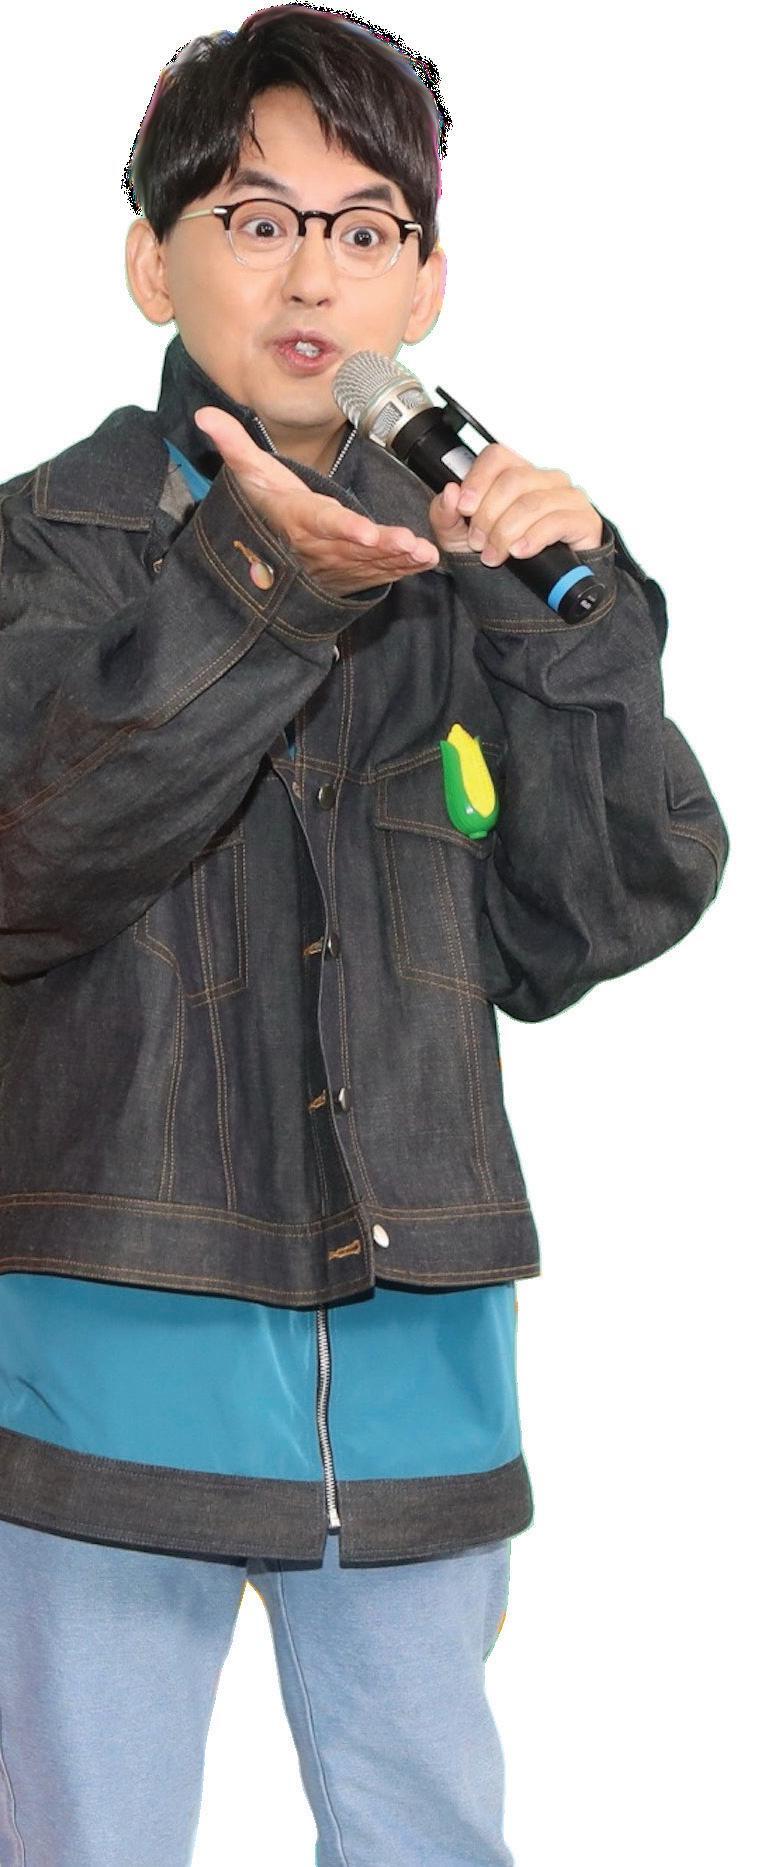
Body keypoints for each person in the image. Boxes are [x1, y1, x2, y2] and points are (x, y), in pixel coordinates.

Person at [0, 8, 730, 1865]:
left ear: (427, 282)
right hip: (110, 1346)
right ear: (151, 261)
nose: (313, 272)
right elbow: (30, 864)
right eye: (256, 221)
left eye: (365, 225)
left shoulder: (488, 567)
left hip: (414, 1363)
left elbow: (585, 924)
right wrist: (267, 584)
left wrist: (566, 640)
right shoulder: (42, 548)